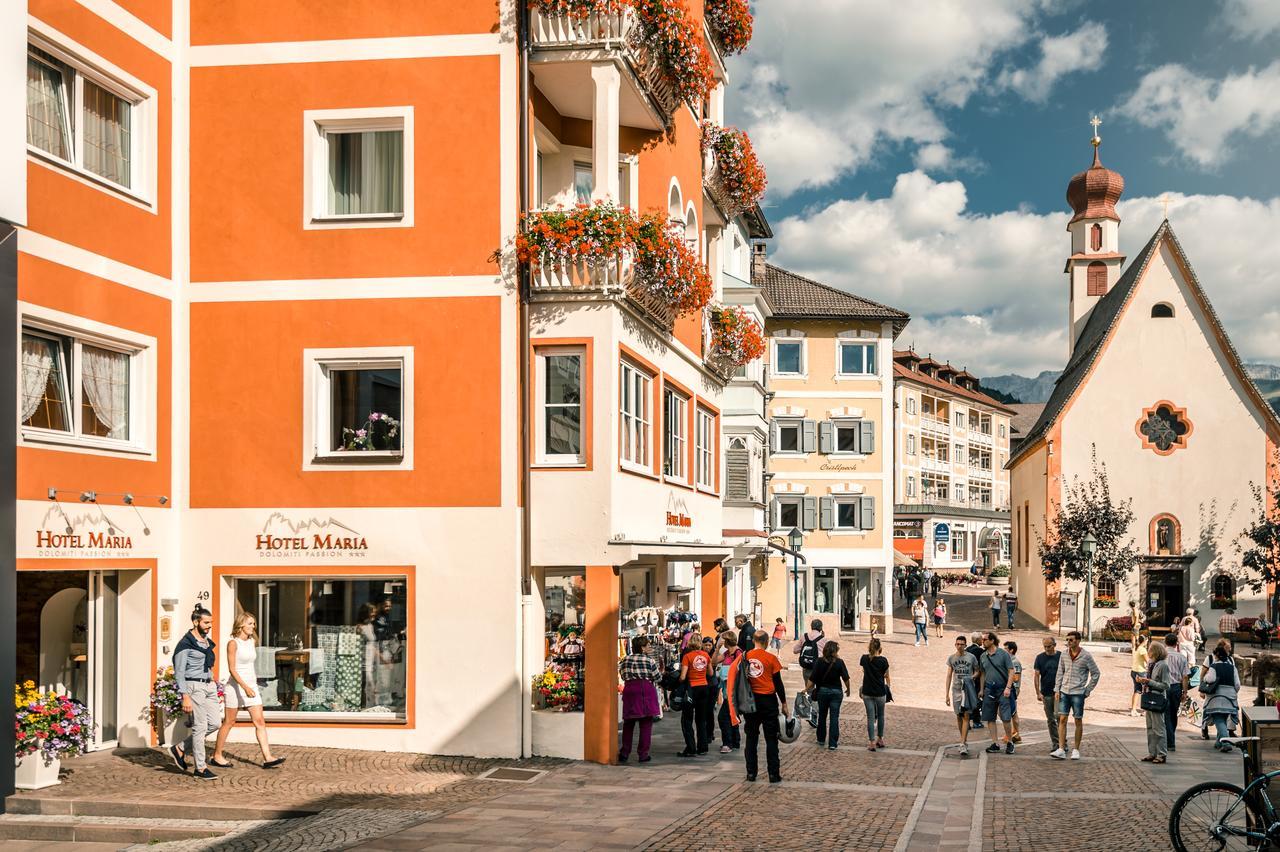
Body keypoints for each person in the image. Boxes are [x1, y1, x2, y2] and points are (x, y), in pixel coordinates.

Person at [210, 612, 283, 770]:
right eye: (250, 623)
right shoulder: (233, 643)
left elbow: (250, 665)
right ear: (241, 625)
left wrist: (253, 684)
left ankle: (268, 757)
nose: (253, 626)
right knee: (229, 722)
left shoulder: (251, 641)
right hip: (236, 687)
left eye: (254, 624)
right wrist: (245, 687)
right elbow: (232, 669)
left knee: (260, 722)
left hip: (251, 686)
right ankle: (217, 755)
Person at [170, 604, 221, 779]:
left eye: (210, 622)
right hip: (194, 687)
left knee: (215, 723)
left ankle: (181, 747)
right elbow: (179, 672)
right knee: (200, 727)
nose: (209, 626)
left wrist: (213, 682)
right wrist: (185, 696)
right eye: (206, 622)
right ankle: (200, 768)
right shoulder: (185, 644)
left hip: (209, 686)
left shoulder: (205, 641)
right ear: (195, 621)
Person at [735, 630, 791, 783]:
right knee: (771, 739)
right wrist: (784, 703)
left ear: (754, 640)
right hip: (768, 701)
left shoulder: (745, 657)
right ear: (766, 641)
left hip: (750, 701)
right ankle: (773, 774)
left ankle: (751, 773)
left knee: (751, 738)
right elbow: (778, 683)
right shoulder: (771, 658)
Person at [1051, 631, 1101, 760]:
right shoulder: (1064, 654)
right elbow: (1060, 672)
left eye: (1071, 640)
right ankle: (1061, 749)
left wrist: (1087, 690)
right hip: (1064, 692)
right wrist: (1057, 689)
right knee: (1062, 719)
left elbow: (1096, 673)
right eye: (1067, 640)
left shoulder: (1086, 656)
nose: (1068, 642)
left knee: (1078, 720)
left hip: (1078, 693)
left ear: (1078, 641)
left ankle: (1076, 750)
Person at [617, 636, 662, 763]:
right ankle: (643, 754)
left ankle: (624, 752)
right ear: (642, 648)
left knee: (628, 723)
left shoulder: (625, 659)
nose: (649, 647)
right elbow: (657, 677)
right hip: (645, 690)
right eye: (648, 645)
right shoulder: (649, 660)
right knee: (646, 724)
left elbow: (623, 674)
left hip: (630, 689)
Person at [978, 632, 1016, 754]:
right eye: (982, 640)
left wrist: (1008, 688)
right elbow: (983, 673)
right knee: (990, 717)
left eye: (985, 640)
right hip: (989, 690)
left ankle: (1010, 742)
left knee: (1005, 717)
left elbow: (1011, 671)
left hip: (1002, 689)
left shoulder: (1003, 654)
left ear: (992, 641)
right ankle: (995, 743)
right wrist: (981, 689)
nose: (982, 641)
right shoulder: (983, 656)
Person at [1134, 640, 1171, 764]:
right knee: (1150, 728)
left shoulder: (1163, 666)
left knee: (1159, 728)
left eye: (1150, 649)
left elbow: (1166, 685)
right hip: (1149, 697)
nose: (1148, 652)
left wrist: (1149, 682)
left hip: (1157, 698)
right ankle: (1152, 752)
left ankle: (1161, 754)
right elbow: (1148, 679)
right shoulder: (1151, 664)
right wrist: (1142, 680)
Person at [677, 630, 713, 757]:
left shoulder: (687, 656)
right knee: (701, 719)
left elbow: (682, 676)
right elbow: (711, 673)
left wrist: (678, 679)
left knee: (687, 719)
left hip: (692, 689)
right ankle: (703, 747)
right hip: (704, 688)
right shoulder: (706, 655)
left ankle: (691, 748)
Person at [810, 641, 850, 750]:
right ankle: (832, 743)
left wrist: (806, 688)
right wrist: (848, 689)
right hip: (836, 692)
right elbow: (846, 678)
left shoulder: (819, 662)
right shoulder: (839, 662)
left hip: (822, 692)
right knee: (834, 717)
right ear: (835, 651)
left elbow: (812, 679)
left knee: (822, 716)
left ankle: (821, 739)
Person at [1201, 644, 1242, 751]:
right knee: (1223, 718)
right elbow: (1237, 684)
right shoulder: (1233, 667)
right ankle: (1219, 742)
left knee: (1218, 718)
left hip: (1216, 697)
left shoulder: (1214, 666)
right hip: (1230, 697)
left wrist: (1204, 678)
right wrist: (1233, 693)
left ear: (1217, 656)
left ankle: (1226, 743)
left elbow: (1210, 679)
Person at [945, 635, 979, 756]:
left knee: (966, 716)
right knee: (959, 716)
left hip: (967, 690)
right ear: (955, 645)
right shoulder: (952, 658)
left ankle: (962, 743)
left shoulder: (971, 657)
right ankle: (963, 740)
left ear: (965, 645)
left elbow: (977, 671)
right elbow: (949, 675)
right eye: (957, 644)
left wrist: (972, 677)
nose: (959, 646)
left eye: (962, 644)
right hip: (956, 690)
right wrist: (946, 694)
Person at [859, 637, 891, 751]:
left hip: (867, 691)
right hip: (880, 691)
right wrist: (889, 686)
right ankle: (880, 739)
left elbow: (864, 671)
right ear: (880, 648)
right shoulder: (883, 660)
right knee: (881, 715)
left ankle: (872, 742)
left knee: (870, 717)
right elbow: (887, 675)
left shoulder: (864, 659)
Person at [1033, 637, 1062, 753]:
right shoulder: (1040, 658)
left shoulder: (1061, 656)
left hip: (1059, 692)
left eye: (1049, 646)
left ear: (1054, 645)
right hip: (1046, 692)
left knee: (1060, 717)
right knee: (1050, 719)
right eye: (1044, 646)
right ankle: (1056, 743)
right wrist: (1038, 692)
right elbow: (1036, 675)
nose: (1046, 649)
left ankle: (1062, 743)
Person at [715, 634, 743, 753]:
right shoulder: (727, 653)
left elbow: (740, 672)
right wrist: (717, 649)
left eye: (723, 640)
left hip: (734, 692)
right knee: (731, 716)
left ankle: (728, 743)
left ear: (727, 641)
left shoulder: (738, 653)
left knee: (723, 717)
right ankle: (735, 741)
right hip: (728, 692)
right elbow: (713, 662)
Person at [1162, 632, 1189, 752]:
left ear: (1165, 642)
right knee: (1173, 713)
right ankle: (1171, 737)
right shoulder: (1181, 657)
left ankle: (1170, 741)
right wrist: (1185, 692)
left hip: (1164, 687)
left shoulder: (1161, 656)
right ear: (1176, 643)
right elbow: (1185, 677)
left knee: (1166, 714)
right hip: (1176, 687)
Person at [793, 619, 827, 689]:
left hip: (806, 666)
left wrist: (804, 648)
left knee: (809, 689)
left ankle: (810, 698)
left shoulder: (804, 637)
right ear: (821, 628)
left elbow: (795, 650)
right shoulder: (823, 639)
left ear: (811, 626)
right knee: (820, 689)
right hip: (819, 667)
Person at [1003, 641, 1023, 744]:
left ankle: (1016, 734)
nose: (1004, 650)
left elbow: (1016, 677)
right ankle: (1013, 733)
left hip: (1013, 689)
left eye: (1006, 648)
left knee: (1013, 712)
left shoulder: (1014, 662)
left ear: (1011, 650)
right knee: (1010, 712)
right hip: (1009, 688)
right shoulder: (1008, 661)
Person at [965, 635, 986, 730]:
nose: (982, 641)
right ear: (978, 640)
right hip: (976, 678)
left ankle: (967, 721)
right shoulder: (981, 651)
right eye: (981, 639)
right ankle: (976, 721)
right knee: (977, 700)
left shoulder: (967, 649)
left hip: (966, 678)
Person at [1129, 634, 1150, 717]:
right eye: (1147, 641)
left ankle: (1133, 710)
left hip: (1134, 671)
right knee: (1146, 690)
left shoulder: (1135, 648)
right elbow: (1148, 661)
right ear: (1144, 641)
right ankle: (1145, 710)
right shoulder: (1143, 650)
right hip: (1141, 672)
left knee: (1137, 691)